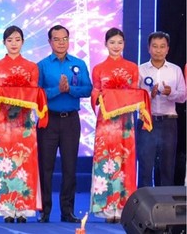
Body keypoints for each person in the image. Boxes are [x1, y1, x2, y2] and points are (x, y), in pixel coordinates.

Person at [89, 27, 152, 222]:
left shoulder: (132, 67)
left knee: (125, 161)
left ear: (124, 44)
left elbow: (135, 92)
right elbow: (95, 93)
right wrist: (101, 97)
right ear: (106, 44)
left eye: (120, 42)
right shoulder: (98, 68)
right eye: (112, 42)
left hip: (125, 122)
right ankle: (107, 208)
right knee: (106, 161)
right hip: (106, 123)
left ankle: (124, 208)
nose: (116, 46)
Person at [0, 26, 47, 223]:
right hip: (3, 122)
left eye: (17, 39)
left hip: (25, 124)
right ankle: (6, 209)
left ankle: (23, 210)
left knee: (25, 162)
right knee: (4, 162)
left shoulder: (31, 67)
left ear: (23, 42)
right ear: (4, 42)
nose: (14, 43)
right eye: (10, 40)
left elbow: (34, 92)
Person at [36, 24, 92, 223]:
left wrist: (70, 90)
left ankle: (67, 211)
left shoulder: (78, 63)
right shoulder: (42, 65)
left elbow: (87, 89)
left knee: (70, 167)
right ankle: (45, 211)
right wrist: (57, 90)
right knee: (46, 167)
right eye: (57, 39)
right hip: (48, 120)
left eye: (64, 38)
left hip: (71, 121)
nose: (61, 42)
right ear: (49, 42)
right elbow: (37, 94)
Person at [137, 31, 186, 187]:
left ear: (167, 49)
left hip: (169, 123)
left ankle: (165, 208)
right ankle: (142, 208)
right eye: (155, 46)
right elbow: (134, 99)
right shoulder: (140, 70)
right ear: (148, 48)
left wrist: (170, 93)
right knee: (145, 167)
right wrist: (148, 96)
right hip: (147, 122)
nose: (158, 50)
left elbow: (183, 96)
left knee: (167, 167)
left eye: (162, 47)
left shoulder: (175, 70)